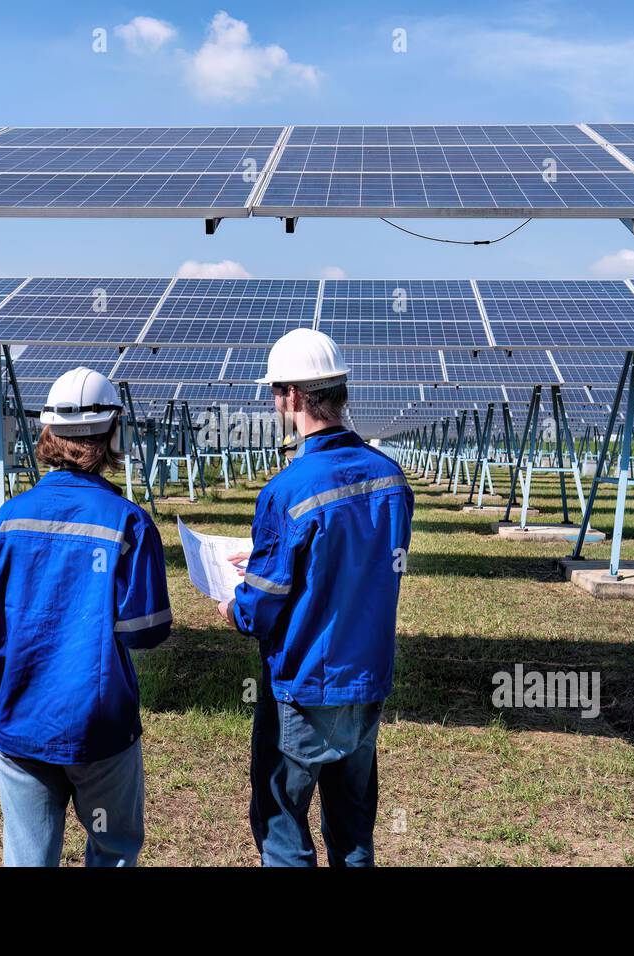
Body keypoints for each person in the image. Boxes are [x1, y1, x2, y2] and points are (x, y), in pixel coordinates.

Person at [217, 328, 414, 867]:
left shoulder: (288, 490)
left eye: (276, 393)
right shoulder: (393, 481)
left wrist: (235, 602)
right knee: (352, 830)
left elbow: (261, 608)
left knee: (282, 827)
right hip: (367, 679)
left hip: (304, 685)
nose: (274, 403)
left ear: (296, 398)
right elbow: (365, 564)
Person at [0, 367, 171, 867]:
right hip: (99, 727)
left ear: (47, 432)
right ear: (113, 434)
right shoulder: (129, 522)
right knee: (113, 848)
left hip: (19, 716)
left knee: (27, 855)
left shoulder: (9, 518)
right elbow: (146, 631)